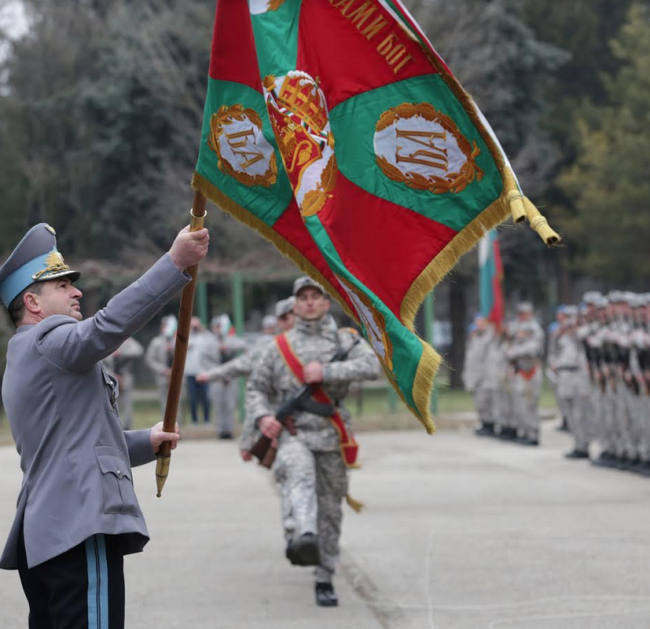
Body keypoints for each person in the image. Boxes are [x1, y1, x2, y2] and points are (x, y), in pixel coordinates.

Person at [0, 221, 209, 627]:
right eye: (62, 286)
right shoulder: (49, 341)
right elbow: (107, 328)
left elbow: (76, 445)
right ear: (33, 303)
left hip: (50, 535)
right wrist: (174, 264)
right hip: (78, 528)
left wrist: (145, 441)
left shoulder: (26, 356)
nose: (77, 291)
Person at [246, 277, 379, 607]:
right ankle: (302, 533)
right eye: (302, 297)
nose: (308, 302)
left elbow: (373, 366)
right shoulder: (278, 348)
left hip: (331, 436)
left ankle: (324, 576)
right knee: (299, 474)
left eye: (314, 297)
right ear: (294, 305)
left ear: (325, 303)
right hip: (294, 434)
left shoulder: (345, 341)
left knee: (331, 510)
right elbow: (256, 388)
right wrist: (263, 417)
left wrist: (327, 374)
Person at [103, 336, 144, 430]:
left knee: (127, 406)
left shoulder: (126, 341)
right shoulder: (106, 341)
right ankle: (115, 428)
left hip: (126, 379)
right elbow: (102, 363)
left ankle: (127, 428)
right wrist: (113, 375)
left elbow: (138, 350)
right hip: (110, 380)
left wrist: (122, 351)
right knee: (112, 406)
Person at [145, 315, 181, 421]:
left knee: (177, 403)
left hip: (177, 377)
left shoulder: (179, 341)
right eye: (164, 325)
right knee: (164, 403)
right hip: (163, 377)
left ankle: (178, 427)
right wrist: (163, 370)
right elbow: (150, 360)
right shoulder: (156, 342)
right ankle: (166, 427)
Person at [185, 316, 219, 425]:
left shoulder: (206, 336)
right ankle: (194, 420)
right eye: (192, 325)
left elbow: (213, 345)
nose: (195, 327)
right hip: (190, 372)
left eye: (196, 325)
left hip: (203, 372)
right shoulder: (185, 335)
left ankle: (207, 419)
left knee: (205, 398)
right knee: (193, 399)